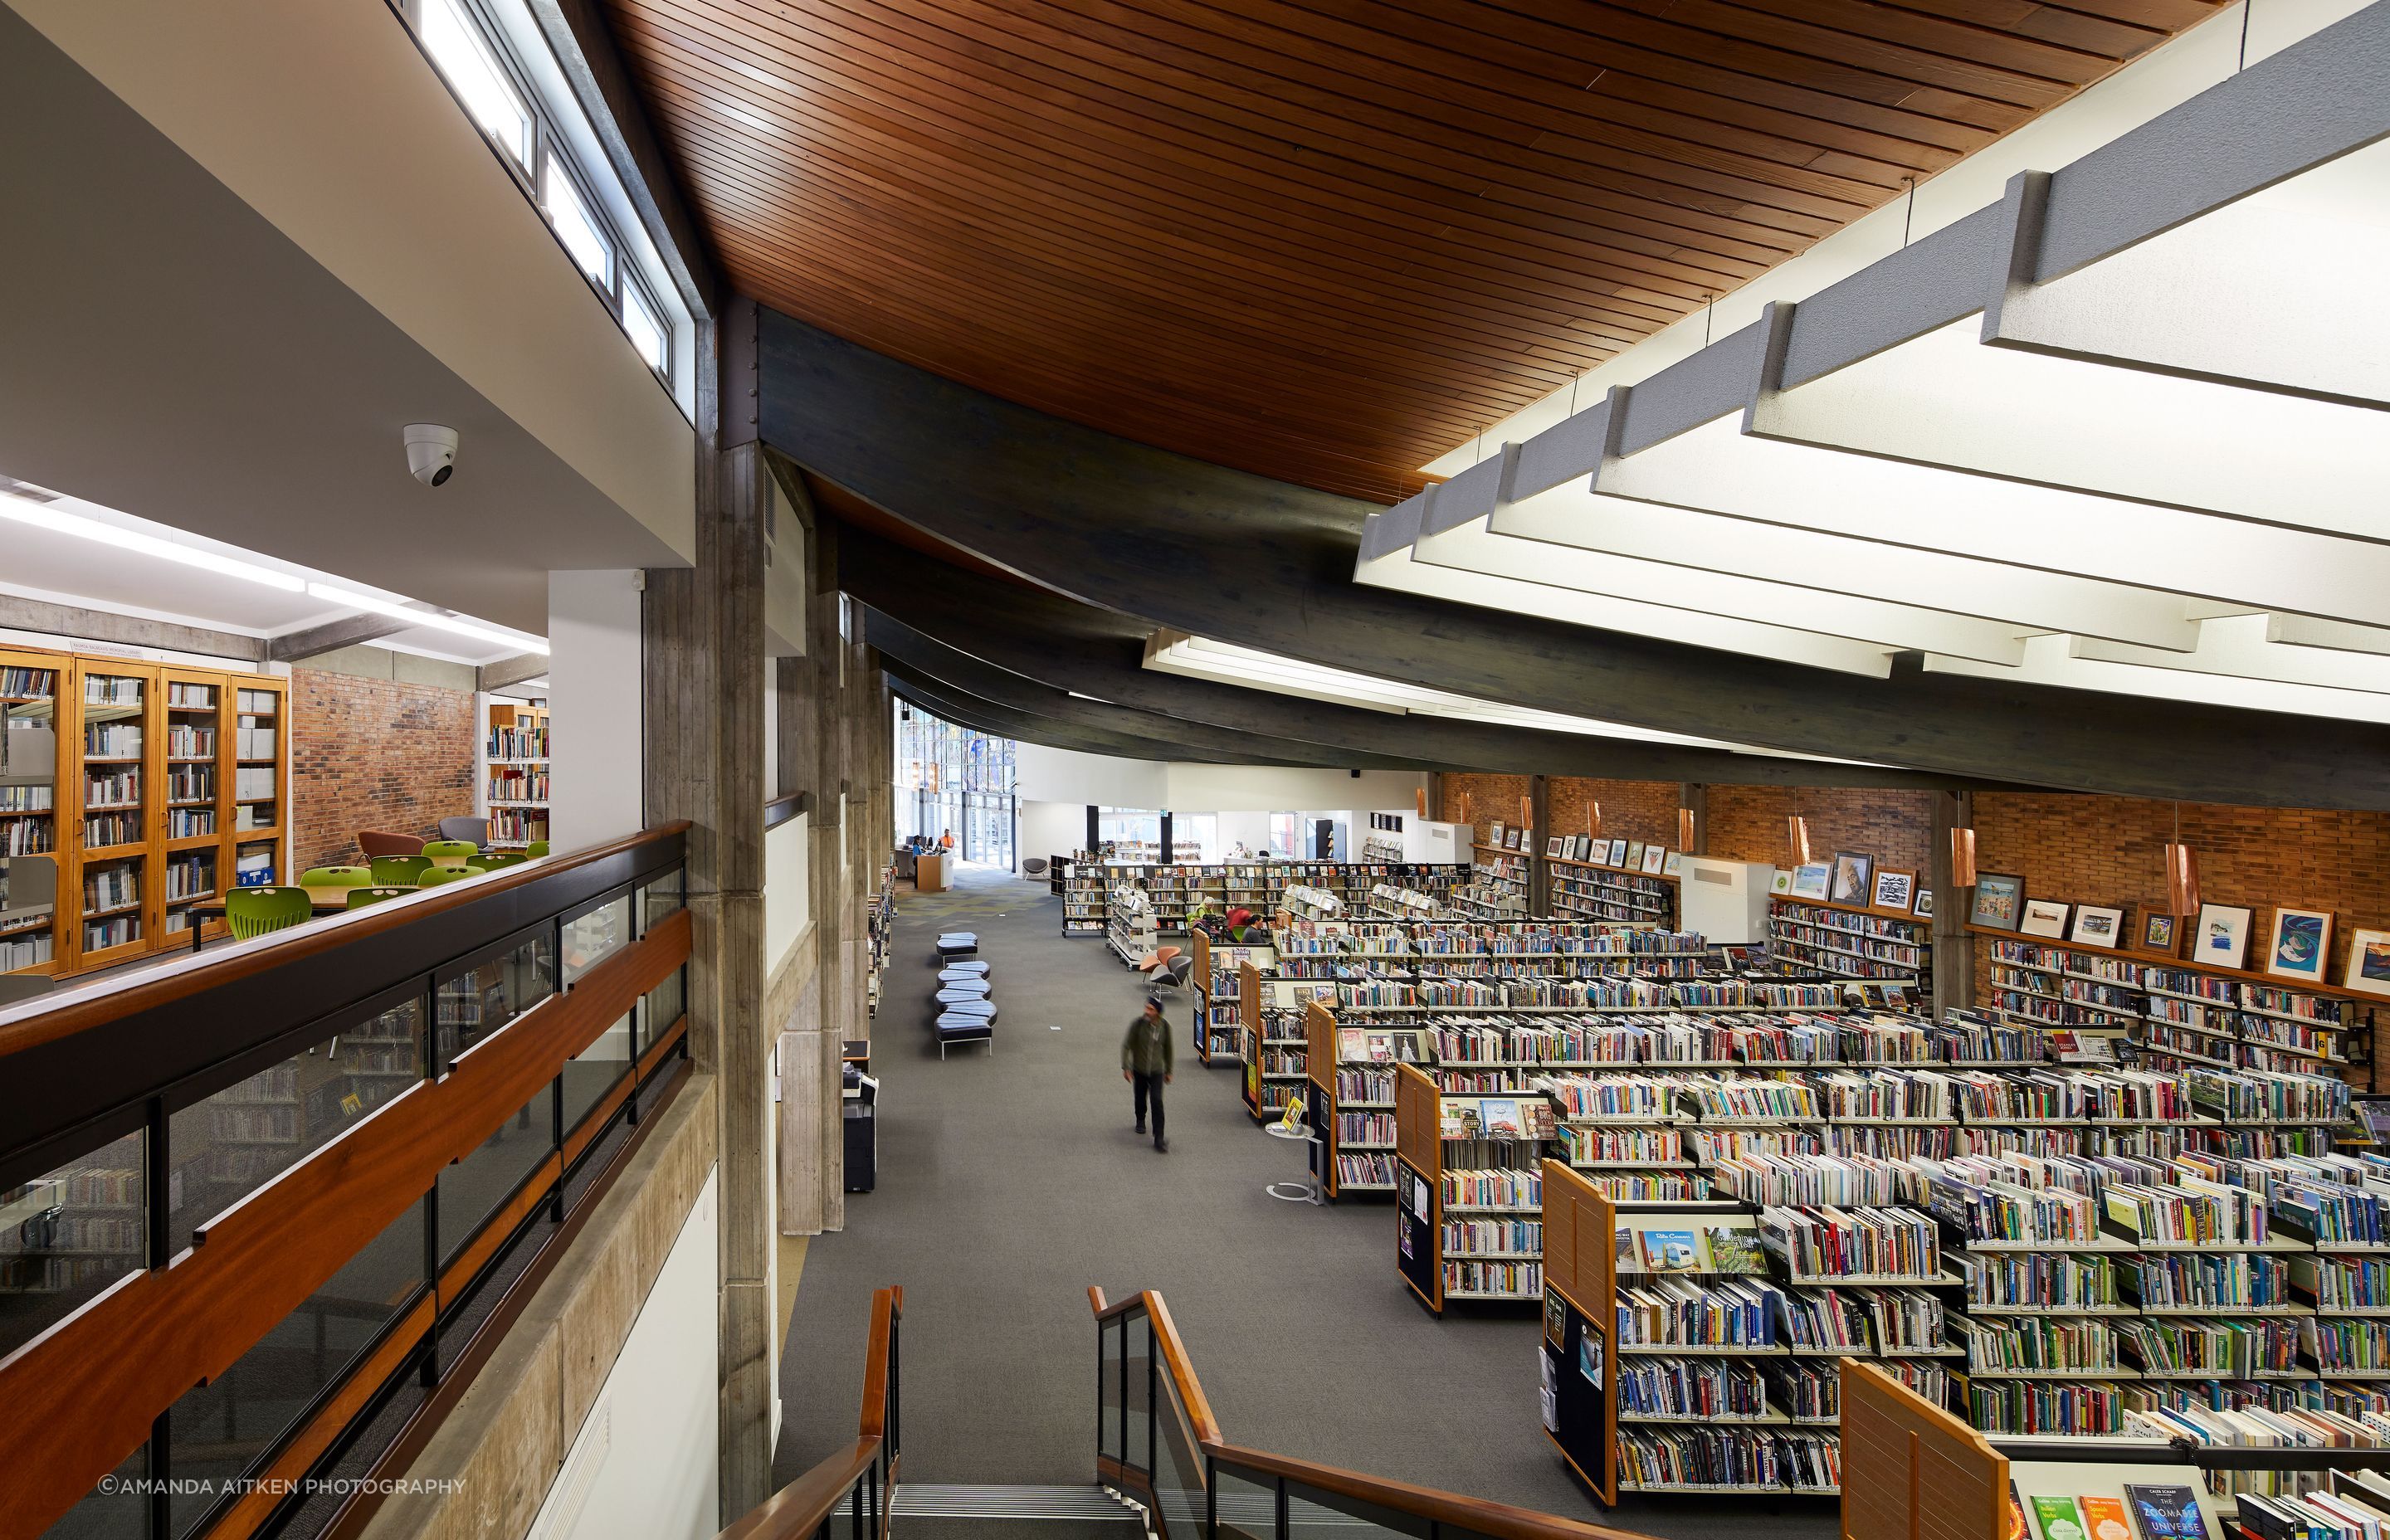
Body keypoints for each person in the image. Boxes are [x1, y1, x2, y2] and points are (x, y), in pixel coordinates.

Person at [1122, 992, 1173, 1153]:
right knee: (1140, 1097)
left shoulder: (1165, 1027)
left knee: (1157, 1101)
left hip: (1157, 1070)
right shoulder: (1137, 1025)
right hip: (1139, 1069)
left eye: (1151, 1009)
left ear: (1157, 1012)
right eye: (1146, 1008)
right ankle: (1140, 1118)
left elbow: (1169, 1049)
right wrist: (1126, 1067)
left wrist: (1169, 1070)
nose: (1147, 1011)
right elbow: (1126, 1046)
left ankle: (1159, 1138)